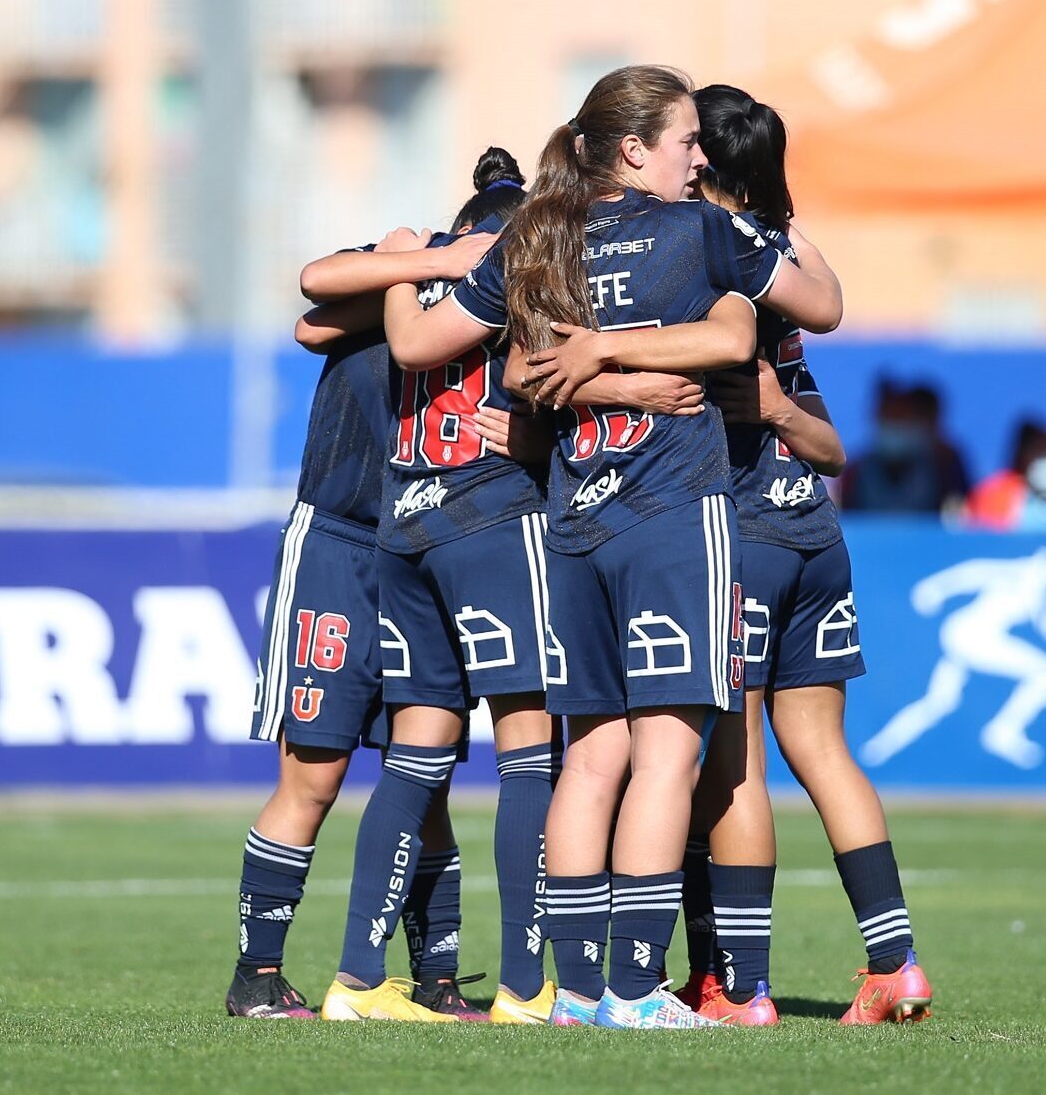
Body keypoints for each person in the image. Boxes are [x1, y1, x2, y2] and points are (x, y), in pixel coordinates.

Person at [381, 64, 844, 1029]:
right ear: (635, 149)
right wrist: (644, 365)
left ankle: (577, 991)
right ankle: (637, 989)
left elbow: (483, 362)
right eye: (685, 139)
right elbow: (798, 314)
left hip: (573, 526)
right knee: (667, 760)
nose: (701, 155)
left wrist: (596, 358)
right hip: (674, 519)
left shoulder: (541, 237)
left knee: (590, 762)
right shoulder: (705, 230)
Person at [676, 83, 932, 1027]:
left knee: (733, 764)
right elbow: (832, 446)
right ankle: (895, 964)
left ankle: (739, 988)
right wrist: (784, 409)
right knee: (823, 749)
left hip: (740, 536)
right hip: (813, 532)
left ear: (702, 156)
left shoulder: (695, 245)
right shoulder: (787, 250)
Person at [222, 168, 501, 1021]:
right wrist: (426, 258)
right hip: (340, 544)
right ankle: (257, 973)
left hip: (431, 550)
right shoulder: (405, 270)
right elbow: (315, 298)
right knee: (315, 771)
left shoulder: (501, 318)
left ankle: (439, 976)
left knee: (425, 780)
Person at [837, 382, 970, 514]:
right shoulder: (855, 471)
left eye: (901, 417)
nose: (895, 425)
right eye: (889, 417)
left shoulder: (943, 466)